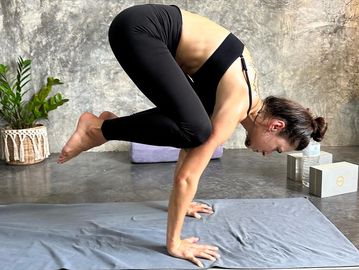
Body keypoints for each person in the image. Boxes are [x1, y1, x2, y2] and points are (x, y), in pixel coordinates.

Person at [58, 4, 328, 267]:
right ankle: (97, 129)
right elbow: (187, 176)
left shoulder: (237, 98)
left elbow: (188, 145)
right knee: (198, 130)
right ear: (276, 126)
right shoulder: (236, 105)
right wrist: (174, 243)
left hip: (141, 27)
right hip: (140, 29)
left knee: (195, 128)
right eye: (277, 149)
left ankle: (102, 127)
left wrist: (182, 204)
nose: (267, 154)